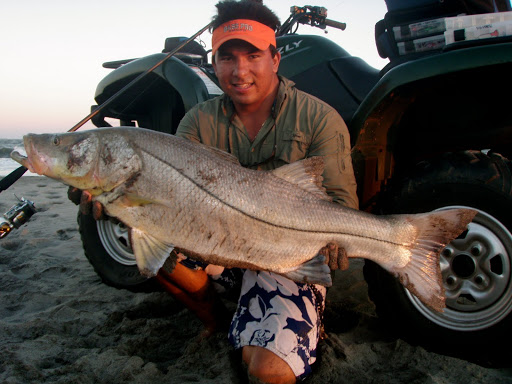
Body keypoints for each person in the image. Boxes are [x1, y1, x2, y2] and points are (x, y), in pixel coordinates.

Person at [71, 1, 358, 382]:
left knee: (268, 373)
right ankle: (217, 321)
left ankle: (284, 319)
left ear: (275, 58)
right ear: (214, 61)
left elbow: (341, 204)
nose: (240, 71)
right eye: (227, 57)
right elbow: (168, 197)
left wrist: (336, 243)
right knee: (145, 234)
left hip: (286, 256)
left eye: (253, 55)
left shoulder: (319, 118)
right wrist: (120, 202)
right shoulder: (198, 120)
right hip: (220, 246)